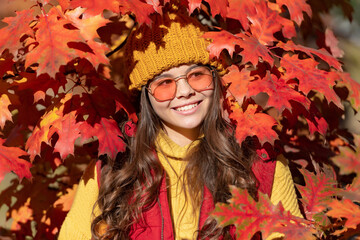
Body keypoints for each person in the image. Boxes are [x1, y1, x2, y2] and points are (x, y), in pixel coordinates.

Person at [58, 4, 301, 240]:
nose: (184, 91)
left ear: (215, 80)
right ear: (145, 96)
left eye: (197, 75)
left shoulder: (260, 165)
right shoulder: (112, 171)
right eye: (165, 83)